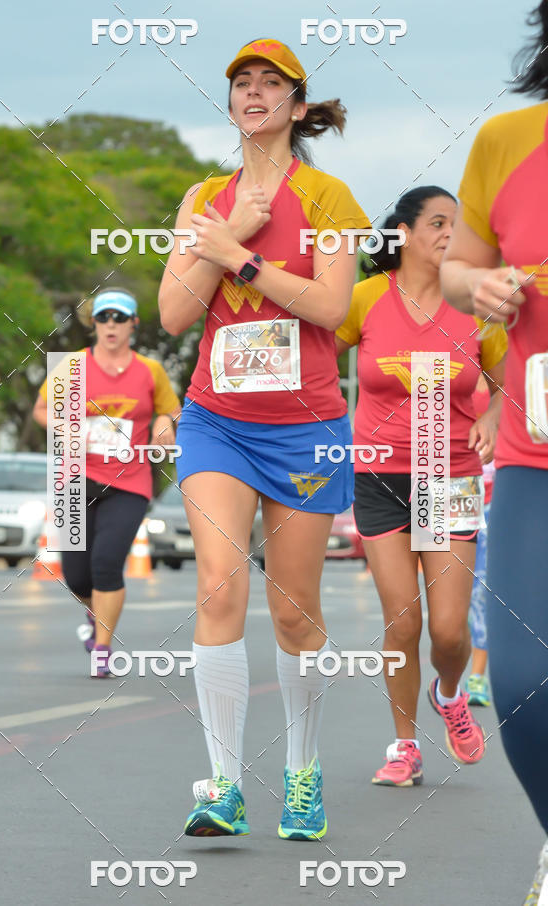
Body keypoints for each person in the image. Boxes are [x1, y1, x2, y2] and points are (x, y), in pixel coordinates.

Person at [158, 38, 369, 839]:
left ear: (297, 106)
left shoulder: (329, 198)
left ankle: (302, 774)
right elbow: (174, 314)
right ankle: (222, 786)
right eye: (242, 82)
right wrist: (218, 242)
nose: (253, 92)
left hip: (305, 431)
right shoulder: (203, 197)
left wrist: (238, 254)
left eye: (270, 82)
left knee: (294, 613)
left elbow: (332, 309)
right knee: (219, 586)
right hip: (217, 421)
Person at [335, 186, 507, 788]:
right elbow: (315, 362)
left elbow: (505, 383)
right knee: (402, 620)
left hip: (449, 476)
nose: (449, 234)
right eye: (437, 222)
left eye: (457, 225)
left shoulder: (477, 307)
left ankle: (450, 694)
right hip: (379, 475)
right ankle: (403, 745)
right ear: (403, 233)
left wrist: (492, 417)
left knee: (449, 631)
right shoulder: (364, 299)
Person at [441, 2, 548, 899]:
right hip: (535, 455)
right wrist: (481, 284)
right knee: (520, 680)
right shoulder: (508, 139)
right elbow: (453, 269)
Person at [33, 288, 181, 676]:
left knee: (106, 564)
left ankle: (102, 647)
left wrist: (163, 427)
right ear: (93, 324)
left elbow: (170, 411)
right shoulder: (72, 367)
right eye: (103, 317)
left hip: (129, 480)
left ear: (133, 324)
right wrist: (66, 427)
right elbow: (42, 409)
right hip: (75, 478)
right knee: (77, 576)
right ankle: (92, 611)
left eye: (119, 317)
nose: (111, 324)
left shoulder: (150, 370)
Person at [465, 376, 494, 708]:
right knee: (449, 594)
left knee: (482, 591)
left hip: (495, 502)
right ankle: (447, 675)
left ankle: (477, 676)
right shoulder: (448, 374)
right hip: (450, 496)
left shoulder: (510, 383)